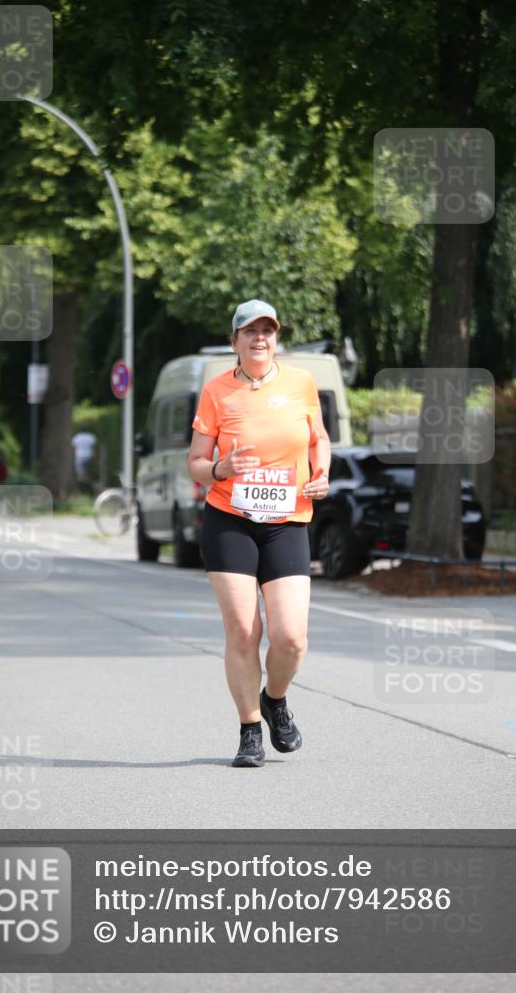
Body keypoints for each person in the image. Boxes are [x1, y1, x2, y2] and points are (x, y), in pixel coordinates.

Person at [187, 299, 331, 767]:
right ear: (235, 341)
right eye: (250, 331)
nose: (260, 338)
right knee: (244, 631)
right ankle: (250, 729)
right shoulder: (216, 391)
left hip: (287, 520)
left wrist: (322, 470)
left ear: (276, 338)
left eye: (268, 330)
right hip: (231, 519)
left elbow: (318, 438)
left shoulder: (301, 383)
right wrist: (220, 467)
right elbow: (195, 464)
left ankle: (275, 699)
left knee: (291, 638)